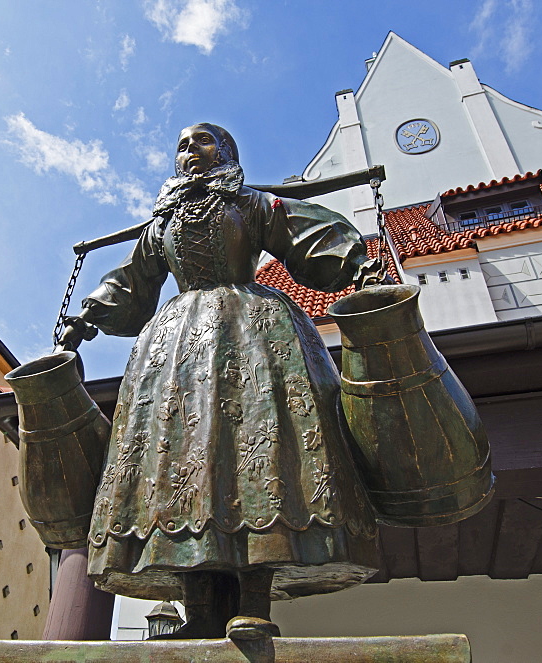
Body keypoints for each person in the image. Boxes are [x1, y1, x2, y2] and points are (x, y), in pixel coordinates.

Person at [59, 123, 381, 640]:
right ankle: (200, 608)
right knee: (184, 465)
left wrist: (355, 265)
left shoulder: (252, 204)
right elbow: (133, 278)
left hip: (252, 331)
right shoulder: (163, 223)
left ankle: (254, 597)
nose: (191, 151)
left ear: (227, 152)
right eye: (183, 145)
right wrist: (88, 317)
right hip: (175, 349)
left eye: (204, 141)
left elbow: (305, 233)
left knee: (258, 460)